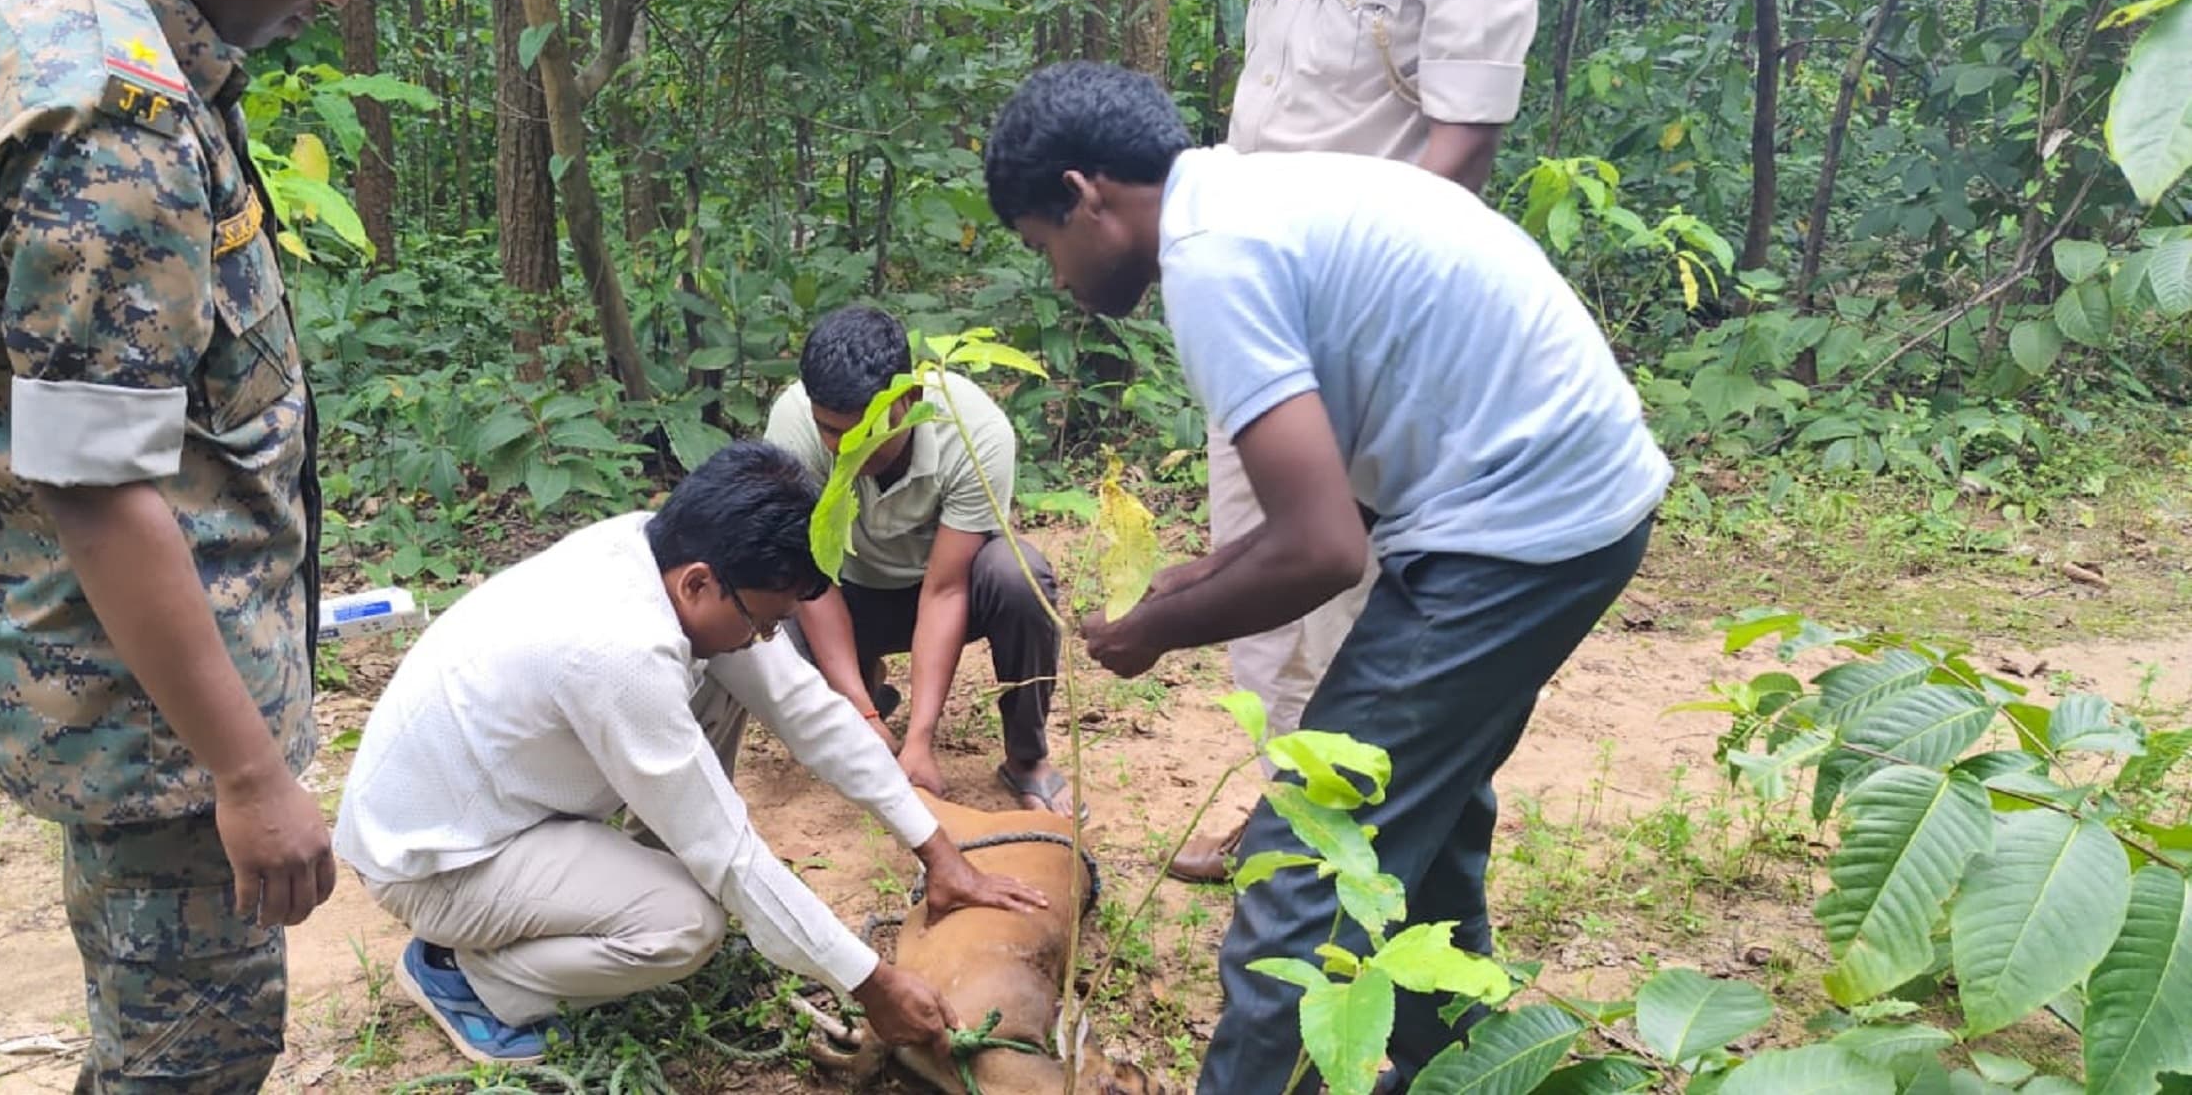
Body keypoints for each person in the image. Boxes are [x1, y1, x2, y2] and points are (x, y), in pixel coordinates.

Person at [0, 0, 413, 1093]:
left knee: (163, 1050)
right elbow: (93, 476)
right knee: (190, 1061)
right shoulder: (110, 107)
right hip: (157, 726)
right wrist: (248, 774)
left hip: (133, 690)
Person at [983, 62, 1667, 1093]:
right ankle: (1453, 1073)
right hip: (1568, 496)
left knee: (1312, 855)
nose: (1057, 279)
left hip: (1519, 526)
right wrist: (1205, 573)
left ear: (1085, 196)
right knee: (1424, 820)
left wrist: (1154, 631)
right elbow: (1331, 502)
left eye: (1045, 246)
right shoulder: (1254, 197)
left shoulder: (1214, 262)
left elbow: (1323, 550)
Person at [1172, 0, 1562, 884]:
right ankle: (1289, 808)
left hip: (1363, 326)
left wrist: (1350, 326)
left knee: (1362, 601)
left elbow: (1464, 139)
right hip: (1259, 308)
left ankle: (1368, 855)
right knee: (1267, 591)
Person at [332, 442, 1051, 1067]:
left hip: (498, 803)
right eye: (765, 622)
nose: (766, 639)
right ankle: (463, 978)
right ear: (700, 582)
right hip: (441, 863)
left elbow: (805, 707)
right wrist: (872, 984)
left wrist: (938, 851)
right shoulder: (618, 652)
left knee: (726, 678)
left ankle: (623, 887)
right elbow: (730, 854)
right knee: (685, 925)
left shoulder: (657, 553)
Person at [763, 306, 1075, 817]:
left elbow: (946, 589)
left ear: (908, 399)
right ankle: (865, 693)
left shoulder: (976, 431)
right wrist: (861, 713)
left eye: (865, 430)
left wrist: (920, 741)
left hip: (945, 590)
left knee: (1018, 576)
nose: (845, 448)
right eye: (830, 431)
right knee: (768, 602)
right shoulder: (794, 426)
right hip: (846, 590)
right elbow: (812, 580)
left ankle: (1027, 759)